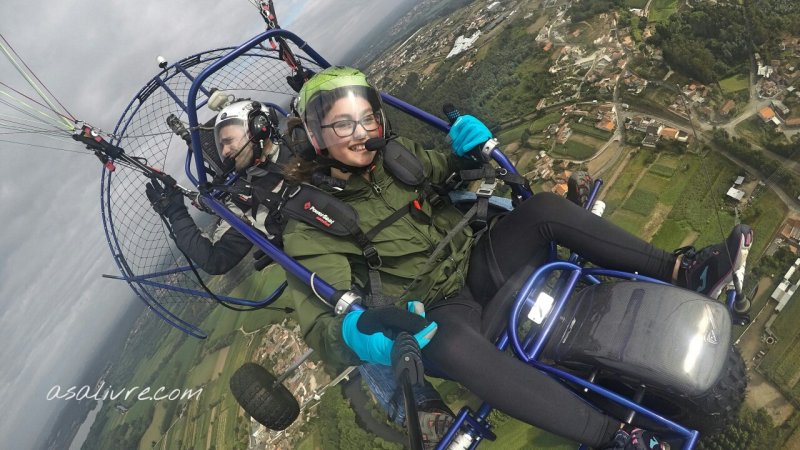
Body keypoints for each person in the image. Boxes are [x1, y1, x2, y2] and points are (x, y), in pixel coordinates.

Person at [280, 67, 752, 449]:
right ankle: (615, 439)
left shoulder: (398, 161)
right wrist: (364, 335)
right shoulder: (310, 224)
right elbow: (323, 327)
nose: (361, 132)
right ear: (314, 137)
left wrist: (468, 150)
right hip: (435, 312)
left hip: (478, 261)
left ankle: (684, 271)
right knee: (446, 343)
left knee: (543, 209)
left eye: (367, 119)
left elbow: (450, 168)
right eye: (343, 124)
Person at [145, 100, 289, 274]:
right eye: (221, 146)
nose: (225, 151)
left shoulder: (304, 142)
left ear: (259, 128)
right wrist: (176, 214)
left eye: (228, 141)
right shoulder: (243, 202)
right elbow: (215, 260)